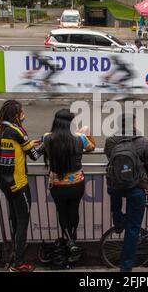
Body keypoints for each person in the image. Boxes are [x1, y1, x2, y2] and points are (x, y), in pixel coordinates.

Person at [0, 100, 45, 272]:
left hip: (4, 181)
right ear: (16, 115)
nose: (24, 114)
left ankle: (15, 253)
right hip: (18, 183)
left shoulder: (0, 129)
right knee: (23, 221)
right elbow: (35, 156)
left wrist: (30, 144)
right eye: (22, 111)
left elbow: (19, 149)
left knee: (15, 218)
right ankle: (18, 264)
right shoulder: (17, 130)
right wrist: (47, 143)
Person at [105, 113, 148, 272]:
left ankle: (118, 220)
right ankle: (125, 267)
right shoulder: (143, 142)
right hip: (136, 188)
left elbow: (112, 160)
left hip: (115, 185)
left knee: (116, 207)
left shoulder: (110, 141)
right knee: (133, 229)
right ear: (133, 124)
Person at [43, 109, 96, 262]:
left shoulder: (47, 138)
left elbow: (36, 149)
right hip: (76, 184)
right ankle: (72, 241)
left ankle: (71, 242)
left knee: (62, 212)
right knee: (74, 210)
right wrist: (85, 132)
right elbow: (92, 146)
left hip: (57, 185)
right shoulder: (79, 138)